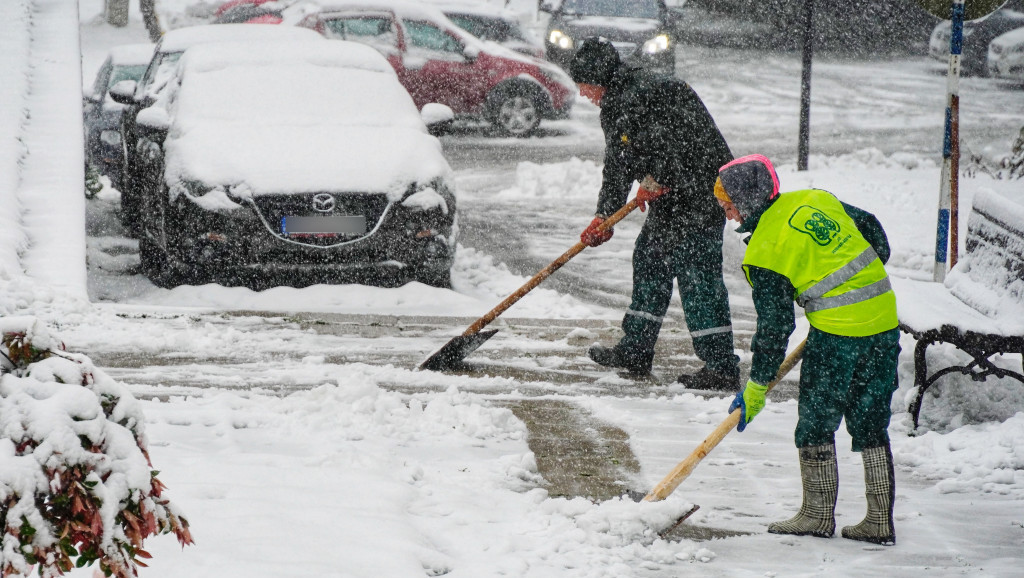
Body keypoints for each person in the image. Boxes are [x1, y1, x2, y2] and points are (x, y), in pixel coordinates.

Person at [719, 154, 899, 545]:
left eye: (729, 202)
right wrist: (854, 283)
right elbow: (875, 236)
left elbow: (775, 328)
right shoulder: (816, 198)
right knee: (871, 419)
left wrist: (757, 387)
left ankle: (817, 515)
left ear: (748, 200)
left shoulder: (766, 250)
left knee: (817, 420)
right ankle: (879, 520)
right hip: (884, 320)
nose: (727, 212)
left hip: (838, 336)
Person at [568, 37, 740, 390]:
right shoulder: (619, 101)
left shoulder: (645, 94)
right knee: (650, 261)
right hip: (672, 200)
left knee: (698, 279)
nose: (583, 94)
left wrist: (656, 178)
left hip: (702, 196)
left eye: (584, 85)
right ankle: (635, 349)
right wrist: (604, 215)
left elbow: (681, 145)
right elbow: (617, 164)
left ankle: (721, 366)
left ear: (597, 77)